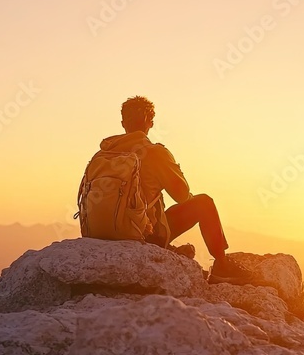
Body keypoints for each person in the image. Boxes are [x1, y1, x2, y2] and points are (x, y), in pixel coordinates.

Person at [96, 96, 253, 284]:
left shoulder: (103, 154)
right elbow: (182, 196)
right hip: (144, 235)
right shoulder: (155, 153)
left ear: (123, 123)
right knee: (204, 203)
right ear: (150, 122)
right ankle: (222, 265)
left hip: (103, 231)